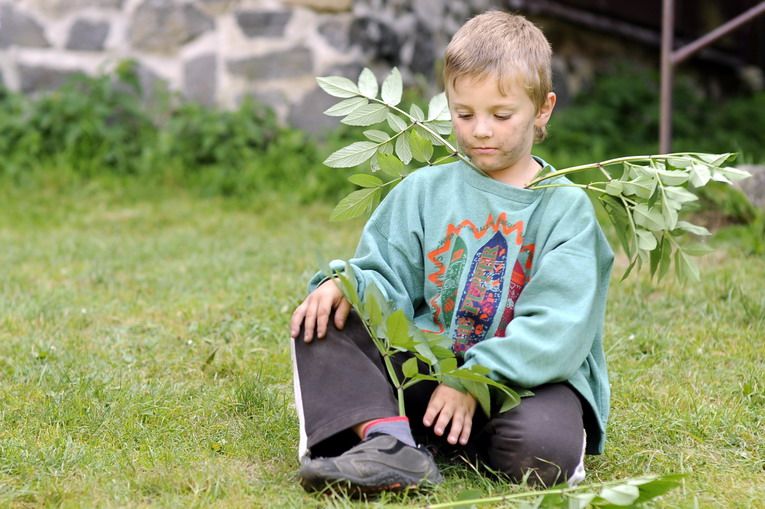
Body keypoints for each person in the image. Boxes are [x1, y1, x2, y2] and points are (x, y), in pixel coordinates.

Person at [289, 10, 614, 494]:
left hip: (516, 385)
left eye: (501, 115)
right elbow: (386, 276)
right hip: (425, 371)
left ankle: (437, 434)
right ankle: (389, 444)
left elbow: (559, 325)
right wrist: (349, 284)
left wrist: (476, 380)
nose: (480, 130)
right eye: (464, 114)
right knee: (327, 315)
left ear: (543, 109)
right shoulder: (424, 191)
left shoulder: (566, 210)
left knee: (543, 450)